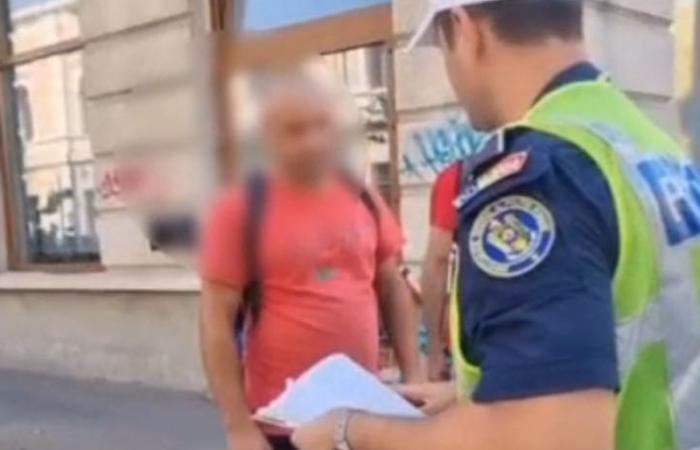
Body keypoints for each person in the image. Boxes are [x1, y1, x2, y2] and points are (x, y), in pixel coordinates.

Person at [291, 1, 700, 450]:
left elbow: (549, 436)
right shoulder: (648, 145)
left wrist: (350, 430)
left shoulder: (541, 177)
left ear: (464, 30)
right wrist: (476, 395)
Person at [199, 73, 423, 450]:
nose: (314, 141)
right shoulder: (239, 208)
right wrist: (238, 427)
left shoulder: (362, 194)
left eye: (322, 126)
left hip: (361, 417)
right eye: (296, 130)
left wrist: (413, 376)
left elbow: (391, 287)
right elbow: (215, 321)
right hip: (283, 423)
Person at [422, 161, 464, 380]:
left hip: (477, 331)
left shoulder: (460, 176)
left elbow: (438, 258)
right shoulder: (563, 163)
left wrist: (433, 350)